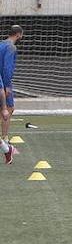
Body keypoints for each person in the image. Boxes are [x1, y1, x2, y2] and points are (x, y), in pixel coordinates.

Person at [0, 25, 22, 165]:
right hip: (3, 82)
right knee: (9, 109)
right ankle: (5, 140)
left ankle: (5, 145)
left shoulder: (2, 44)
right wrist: (7, 85)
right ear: (18, 34)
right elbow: (7, 68)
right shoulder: (11, 48)